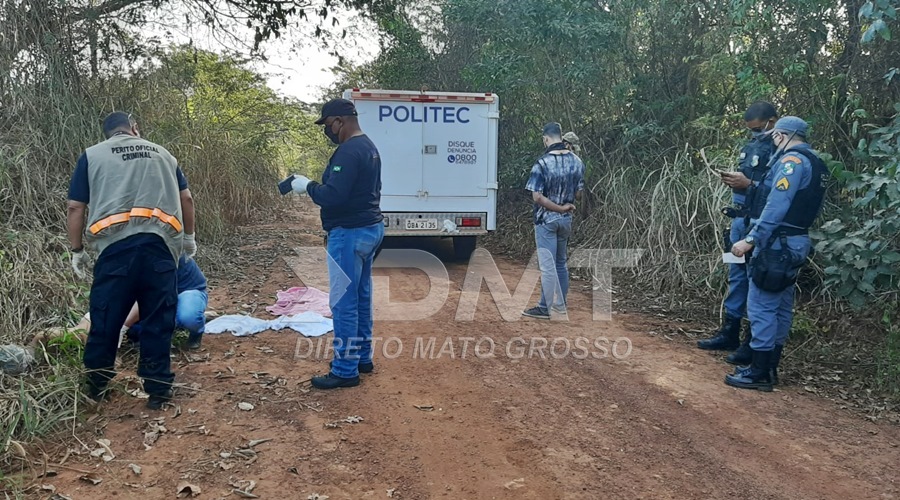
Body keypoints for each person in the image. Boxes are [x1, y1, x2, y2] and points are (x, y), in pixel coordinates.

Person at [67, 112, 196, 409]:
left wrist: (77, 251)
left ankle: (97, 386)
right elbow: (187, 200)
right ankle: (159, 390)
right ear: (135, 128)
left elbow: (76, 207)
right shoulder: (164, 154)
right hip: (160, 250)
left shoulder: (92, 155)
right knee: (157, 320)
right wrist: (188, 238)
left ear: (108, 132)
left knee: (106, 320)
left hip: (115, 253)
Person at [725, 116, 829, 391]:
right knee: (782, 305)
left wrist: (751, 239)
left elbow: (777, 204)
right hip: (795, 241)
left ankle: (759, 372)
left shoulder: (791, 162)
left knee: (762, 306)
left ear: (781, 135)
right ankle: (768, 368)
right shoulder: (817, 163)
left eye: (774, 136)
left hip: (775, 244)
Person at [288, 98, 383, 389]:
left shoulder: (349, 151)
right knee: (361, 297)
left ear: (340, 121)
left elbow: (333, 195)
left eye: (328, 125)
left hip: (349, 233)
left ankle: (345, 370)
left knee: (343, 302)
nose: (328, 131)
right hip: (371, 229)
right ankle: (361, 358)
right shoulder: (369, 147)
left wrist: (308, 187)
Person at [697, 101, 777, 356]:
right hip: (737, 223)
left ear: (772, 122)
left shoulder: (782, 151)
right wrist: (735, 182)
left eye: (757, 128)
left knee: (756, 280)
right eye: (750, 129)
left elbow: (778, 194)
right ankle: (729, 332)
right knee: (736, 274)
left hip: (758, 226)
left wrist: (749, 184)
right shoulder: (749, 147)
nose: (754, 133)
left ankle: (751, 343)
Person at [522, 122, 585, 319]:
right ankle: (560, 305)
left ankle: (545, 307)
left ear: (546, 139)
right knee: (560, 263)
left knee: (548, 266)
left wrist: (558, 207)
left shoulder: (542, 163)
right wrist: (566, 206)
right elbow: (579, 194)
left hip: (546, 221)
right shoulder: (577, 162)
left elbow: (537, 197)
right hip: (566, 221)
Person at [122, 255, 208, 350]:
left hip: (185, 290)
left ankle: (195, 332)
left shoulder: (161, 252)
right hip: (159, 293)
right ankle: (139, 335)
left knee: (188, 317)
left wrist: (124, 327)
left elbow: (149, 297)